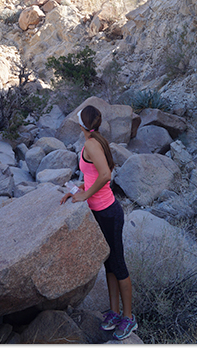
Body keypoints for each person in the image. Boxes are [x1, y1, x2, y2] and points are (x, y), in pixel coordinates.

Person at [61, 105, 137, 340]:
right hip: (101, 211)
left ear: (82, 125)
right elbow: (97, 174)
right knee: (109, 264)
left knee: (118, 265)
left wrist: (85, 195)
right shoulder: (96, 140)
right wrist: (79, 188)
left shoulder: (92, 144)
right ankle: (114, 313)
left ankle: (128, 318)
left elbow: (106, 175)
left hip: (108, 213)